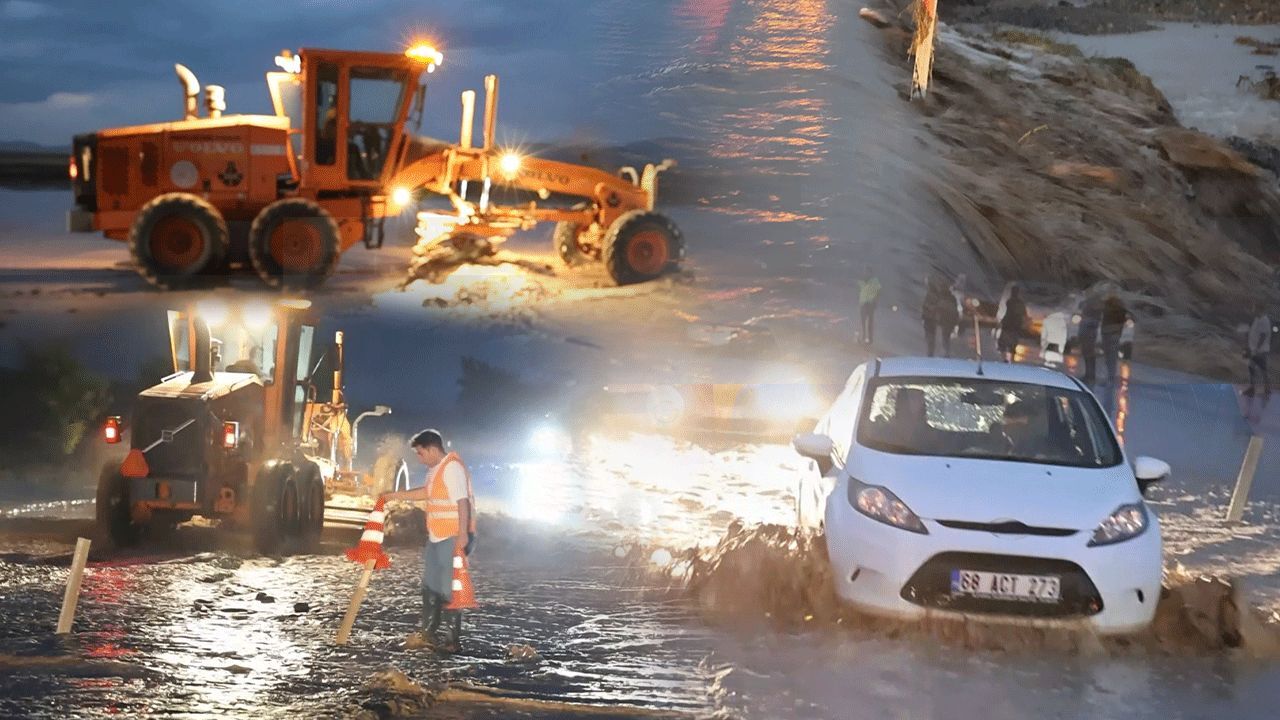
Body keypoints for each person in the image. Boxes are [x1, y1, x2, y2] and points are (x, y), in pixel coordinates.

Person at [380, 429, 476, 652]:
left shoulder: (452, 468)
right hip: (437, 537)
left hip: (451, 537)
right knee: (430, 588)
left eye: (421, 454)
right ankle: (428, 636)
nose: (420, 459)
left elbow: (463, 502)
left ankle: (452, 642)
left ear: (432, 449)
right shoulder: (436, 470)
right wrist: (393, 496)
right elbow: (426, 493)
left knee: (446, 590)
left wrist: (462, 535)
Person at [922, 273, 959, 357]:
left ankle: (935, 353)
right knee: (943, 337)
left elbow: (926, 307)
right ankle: (942, 353)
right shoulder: (948, 297)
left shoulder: (933, 296)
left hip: (937, 318)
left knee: (937, 337)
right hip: (940, 319)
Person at [1099, 291, 1130, 385]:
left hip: (1110, 334)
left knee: (1110, 357)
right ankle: (1110, 377)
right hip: (1113, 334)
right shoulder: (1121, 310)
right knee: (1110, 357)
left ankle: (1110, 378)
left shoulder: (1110, 310)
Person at [1077, 289, 1103, 385]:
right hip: (1087, 330)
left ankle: (1090, 375)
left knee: (1089, 354)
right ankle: (1089, 374)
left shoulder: (1094, 305)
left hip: (1089, 331)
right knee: (1087, 353)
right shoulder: (1088, 303)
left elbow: (1093, 318)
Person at [1246, 303, 1272, 397]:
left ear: (1259, 309)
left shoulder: (1264, 320)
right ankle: (1253, 389)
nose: (1253, 310)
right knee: (1252, 368)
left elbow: (1263, 336)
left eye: (1254, 308)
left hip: (1260, 351)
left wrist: (1256, 349)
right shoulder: (1257, 318)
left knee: (1262, 370)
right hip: (1255, 350)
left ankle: (1265, 389)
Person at [997, 284, 1028, 362]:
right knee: (1009, 344)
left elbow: (1022, 314)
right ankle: (1008, 359)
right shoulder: (1015, 302)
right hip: (1013, 326)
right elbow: (1024, 314)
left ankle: (1006, 359)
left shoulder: (1010, 302)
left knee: (1006, 344)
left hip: (1010, 325)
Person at [857, 268, 882, 345]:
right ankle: (863, 337)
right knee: (862, 321)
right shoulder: (860, 281)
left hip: (871, 303)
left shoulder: (875, 281)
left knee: (870, 322)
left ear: (870, 273)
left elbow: (879, 291)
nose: (866, 274)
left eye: (867, 272)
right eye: (865, 272)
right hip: (863, 303)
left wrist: (876, 301)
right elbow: (858, 290)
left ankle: (869, 339)